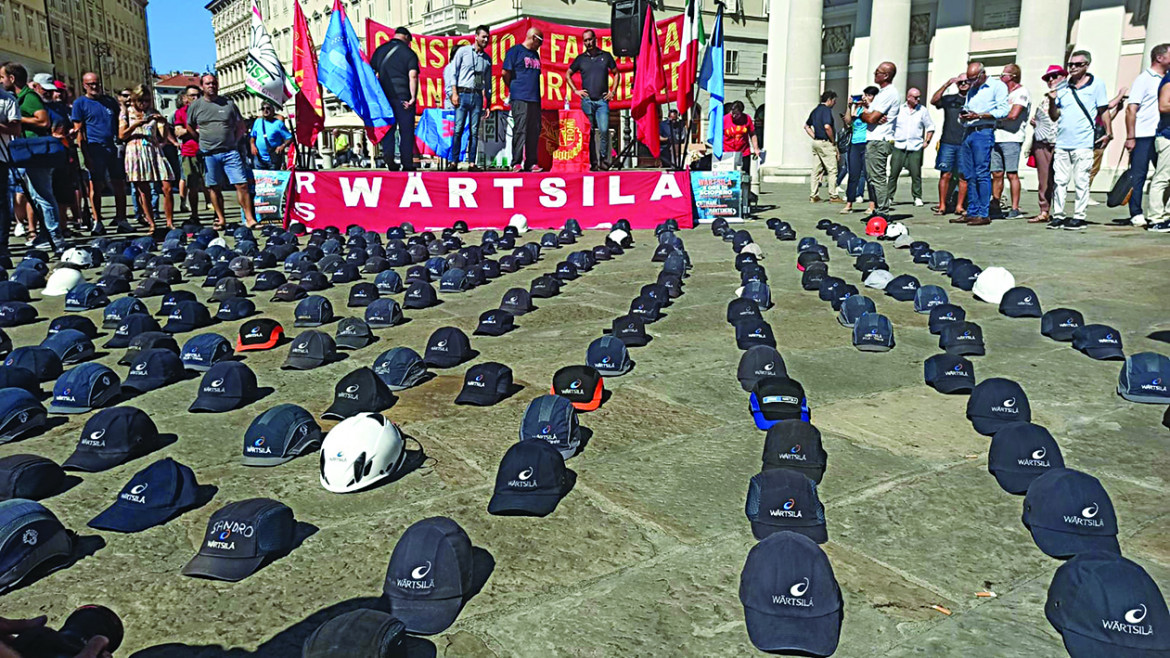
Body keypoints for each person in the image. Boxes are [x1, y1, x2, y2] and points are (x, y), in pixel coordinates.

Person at [2, 62, 64, 251]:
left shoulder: (28, 97)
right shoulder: (20, 97)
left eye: (2, 77)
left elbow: (43, 121)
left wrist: (17, 119)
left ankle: (55, 234)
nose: (1, 81)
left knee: (43, 194)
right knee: (36, 195)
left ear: (12, 79)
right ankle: (46, 233)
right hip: (29, 153)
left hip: (38, 152)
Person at [1047, 50, 1111, 230]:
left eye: (1077, 64)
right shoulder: (1062, 87)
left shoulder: (1097, 84)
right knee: (1060, 181)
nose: (1073, 68)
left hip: (1083, 142)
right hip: (1062, 143)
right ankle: (1058, 215)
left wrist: (1109, 131)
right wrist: (1052, 101)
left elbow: (1103, 110)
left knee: (1081, 180)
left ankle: (1079, 216)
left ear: (1086, 65)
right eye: (1070, 65)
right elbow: (1054, 116)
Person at [185, 73, 256, 229]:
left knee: (241, 184)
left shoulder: (228, 104)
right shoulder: (196, 106)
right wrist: (199, 138)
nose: (211, 86)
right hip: (209, 153)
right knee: (214, 187)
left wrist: (235, 141)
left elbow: (241, 126)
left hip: (230, 151)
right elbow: (189, 125)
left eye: (214, 83)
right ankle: (221, 219)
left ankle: (249, 218)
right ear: (202, 86)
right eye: (208, 83)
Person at [72, 72, 130, 233]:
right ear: (84, 85)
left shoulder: (109, 102)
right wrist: (86, 155)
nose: (95, 87)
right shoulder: (80, 103)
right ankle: (98, 221)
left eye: (97, 83)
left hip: (113, 148)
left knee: (119, 184)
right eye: (91, 84)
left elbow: (120, 120)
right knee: (96, 186)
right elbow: (79, 131)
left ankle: (122, 219)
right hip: (94, 149)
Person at [954, 62, 1009, 227]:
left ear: (982, 74)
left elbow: (1004, 110)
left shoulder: (997, 86)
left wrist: (981, 115)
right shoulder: (972, 89)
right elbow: (967, 107)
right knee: (968, 173)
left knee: (982, 172)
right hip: (969, 131)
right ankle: (972, 211)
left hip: (984, 131)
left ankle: (984, 213)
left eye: (972, 79)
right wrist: (964, 115)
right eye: (968, 80)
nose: (969, 83)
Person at [1123, 43, 1169, 227]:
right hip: (1143, 135)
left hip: (1161, 135)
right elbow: (1131, 109)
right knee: (1139, 175)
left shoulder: (1166, 79)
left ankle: (1163, 212)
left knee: (1164, 175)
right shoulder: (1144, 79)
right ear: (1160, 57)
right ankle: (1136, 212)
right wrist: (1130, 137)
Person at [119, 84, 175, 232]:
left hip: (153, 149)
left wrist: (164, 124)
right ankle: (152, 223)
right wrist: (135, 125)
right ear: (135, 100)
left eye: (147, 100)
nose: (144, 103)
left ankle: (169, 222)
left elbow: (163, 138)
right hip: (135, 150)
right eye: (141, 100)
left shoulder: (153, 113)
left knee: (167, 186)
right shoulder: (127, 113)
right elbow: (122, 135)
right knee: (144, 191)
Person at [371, 27, 420, 172]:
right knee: (406, 132)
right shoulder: (409, 53)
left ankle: (389, 159)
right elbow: (413, 76)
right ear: (406, 37)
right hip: (403, 97)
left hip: (384, 99)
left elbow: (371, 73)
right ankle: (407, 163)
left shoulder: (380, 50)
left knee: (388, 130)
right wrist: (412, 97)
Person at [568, 29, 618, 171]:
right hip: (587, 100)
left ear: (595, 39)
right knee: (588, 132)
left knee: (603, 130)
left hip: (602, 101)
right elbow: (568, 74)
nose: (588, 43)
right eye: (585, 40)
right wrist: (576, 91)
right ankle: (593, 162)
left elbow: (616, 74)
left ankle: (603, 159)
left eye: (590, 39)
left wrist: (612, 92)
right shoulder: (581, 59)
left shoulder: (606, 56)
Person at [447, 25, 493, 171]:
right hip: (462, 94)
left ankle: (472, 163)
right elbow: (453, 72)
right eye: (483, 36)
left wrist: (488, 104)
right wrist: (454, 93)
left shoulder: (486, 59)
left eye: (487, 37)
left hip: (477, 96)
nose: (486, 39)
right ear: (476, 36)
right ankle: (453, 161)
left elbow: (488, 83)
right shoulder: (463, 51)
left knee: (474, 131)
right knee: (458, 129)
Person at [859, 61, 901, 215]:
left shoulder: (889, 93)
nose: (875, 74)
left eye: (878, 72)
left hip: (879, 140)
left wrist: (865, 115)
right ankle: (879, 208)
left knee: (877, 178)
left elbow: (870, 118)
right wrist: (867, 114)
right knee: (872, 177)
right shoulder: (881, 94)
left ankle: (883, 211)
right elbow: (869, 115)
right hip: (873, 139)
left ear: (886, 75)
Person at [990, 64, 1030, 218]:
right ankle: (996, 204)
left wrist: (992, 115)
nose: (1000, 78)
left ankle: (1015, 208)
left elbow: (1014, 114)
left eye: (1003, 75)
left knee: (1012, 173)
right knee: (996, 173)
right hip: (997, 137)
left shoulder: (1021, 92)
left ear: (1012, 76)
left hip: (1012, 138)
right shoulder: (1001, 93)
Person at [503, 27, 544, 173]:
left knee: (534, 130)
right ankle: (516, 162)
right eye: (540, 42)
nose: (541, 45)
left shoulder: (535, 55)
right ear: (533, 38)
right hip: (520, 97)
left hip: (534, 98)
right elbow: (505, 73)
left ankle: (531, 162)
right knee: (520, 129)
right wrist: (514, 88)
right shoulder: (515, 52)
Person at [1028, 65, 1065, 224]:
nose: (1051, 80)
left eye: (1055, 76)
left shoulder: (1068, 95)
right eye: (1048, 77)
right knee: (1044, 179)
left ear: (1063, 76)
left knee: (1060, 178)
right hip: (1042, 142)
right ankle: (1044, 210)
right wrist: (1035, 122)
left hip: (1061, 141)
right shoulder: (1044, 97)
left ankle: (1059, 211)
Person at [930, 75, 971, 216]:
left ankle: (959, 206)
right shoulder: (949, 99)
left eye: (966, 82)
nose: (964, 84)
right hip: (948, 141)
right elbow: (934, 100)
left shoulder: (974, 99)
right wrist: (946, 84)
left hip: (965, 142)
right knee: (945, 174)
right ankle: (942, 205)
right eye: (961, 82)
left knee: (963, 176)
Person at [888, 87, 934, 206]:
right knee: (894, 173)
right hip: (899, 145)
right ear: (908, 97)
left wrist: (927, 141)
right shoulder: (899, 109)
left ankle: (917, 197)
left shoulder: (922, 110)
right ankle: (889, 197)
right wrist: (890, 139)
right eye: (915, 97)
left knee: (916, 174)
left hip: (915, 146)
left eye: (919, 97)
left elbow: (930, 126)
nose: (918, 100)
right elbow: (890, 124)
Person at [173, 84, 209, 219]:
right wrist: (196, 131)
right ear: (186, 98)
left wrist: (187, 131)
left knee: (211, 184)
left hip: (207, 150)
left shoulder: (207, 110)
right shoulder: (181, 112)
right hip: (189, 152)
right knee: (192, 184)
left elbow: (211, 130)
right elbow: (178, 132)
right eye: (192, 95)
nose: (196, 98)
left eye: (198, 95)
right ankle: (194, 214)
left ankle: (218, 214)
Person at [841, 89, 874, 214]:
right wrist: (850, 106)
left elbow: (871, 118)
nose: (864, 98)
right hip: (855, 143)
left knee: (868, 175)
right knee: (853, 174)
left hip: (867, 143)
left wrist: (866, 106)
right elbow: (848, 121)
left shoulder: (872, 109)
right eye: (864, 96)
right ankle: (849, 203)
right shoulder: (857, 109)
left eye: (868, 96)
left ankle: (872, 205)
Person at [1146, 57, 1170, 233]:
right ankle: (1155, 218)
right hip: (1167, 137)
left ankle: (1168, 216)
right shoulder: (1169, 80)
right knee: (1162, 178)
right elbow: (1163, 105)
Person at [804, 90, 840, 203]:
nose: (834, 103)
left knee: (816, 170)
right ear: (829, 100)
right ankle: (833, 195)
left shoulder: (815, 110)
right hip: (825, 143)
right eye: (834, 101)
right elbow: (827, 126)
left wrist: (814, 136)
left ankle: (813, 195)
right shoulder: (826, 111)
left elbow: (806, 126)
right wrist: (833, 141)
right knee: (832, 170)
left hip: (816, 143)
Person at [0, 76, 20, 266]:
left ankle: (2, 244)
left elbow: (16, 129)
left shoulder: (7, 100)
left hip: (1, 157)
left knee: (1, 202)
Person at [250, 103, 293, 170]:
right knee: (259, 179)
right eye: (263, 108)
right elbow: (253, 136)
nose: (265, 110)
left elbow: (289, 138)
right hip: (259, 158)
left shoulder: (278, 124)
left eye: (268, 108)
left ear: (273, 110)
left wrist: (282, 146)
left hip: (273, 159)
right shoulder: (258, 121)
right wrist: (252, 145)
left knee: (273, 180)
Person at [723, 101, 759, 178]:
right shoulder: (725, 119)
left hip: (744, 152)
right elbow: (718, 135)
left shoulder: (747, 119)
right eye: (733, 113)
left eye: (737, 114)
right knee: (729, 175)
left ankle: (745, 188)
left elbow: (752, 134)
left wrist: (756, 148)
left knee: (745, 175)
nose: (734, 116)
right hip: (728, 151)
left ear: (741, 112)